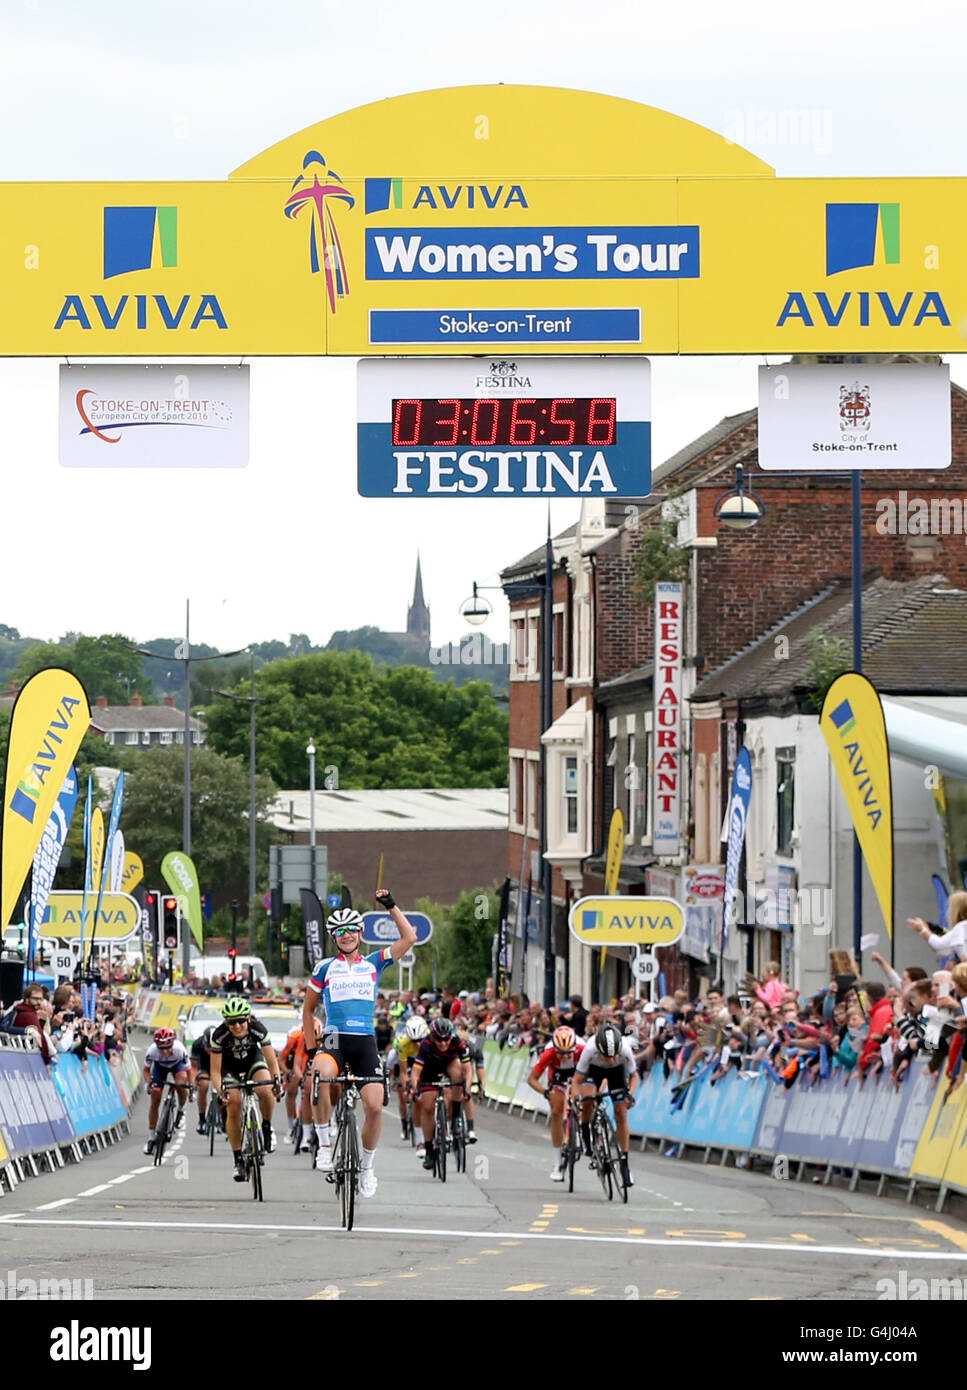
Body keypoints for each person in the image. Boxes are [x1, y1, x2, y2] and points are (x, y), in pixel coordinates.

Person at [303, 888, 417, 1197]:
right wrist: (312, 1048)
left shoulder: (373, 963)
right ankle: (324, 1145)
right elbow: (308, 1009)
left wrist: (390, 905)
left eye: (351, 930)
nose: (346, 935)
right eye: (339, 932)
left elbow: (409, 939)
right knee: (321, 1075)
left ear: (360, 932)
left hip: (365, 1040)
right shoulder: (324, 967)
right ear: (334, 937)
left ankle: (367, 1167)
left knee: (374, 1106)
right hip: (335, 1037)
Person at [209, 997, 282, 1183]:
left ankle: (266, 1126)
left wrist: (277, 1082)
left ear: (248, 1018)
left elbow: (272, 1062)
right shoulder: (219, 1036)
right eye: (232, 1022)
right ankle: (238, 1160)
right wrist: (220, 1091)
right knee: (233, 1104)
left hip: (252, 1061)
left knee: (265, 1089)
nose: (237, 1026)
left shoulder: (259, 1029)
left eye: (241, 1020)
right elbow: (215, 1071)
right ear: (226, 1022)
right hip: (229, 1068)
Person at [571, 1022, 638, 1189]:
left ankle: (624, 1164)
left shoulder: (624, 1050)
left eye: (613, 1055)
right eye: (606, 1056)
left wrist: (630, 1094)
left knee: (621, 1113)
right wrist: (575, 1095)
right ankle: (585, 1131)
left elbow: (634, 1076)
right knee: (587, 1099)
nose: (610, 1059)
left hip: (617, 1073)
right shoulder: (589, 1049)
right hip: (593, 1071)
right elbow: (576, 1080)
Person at [409, 1017, 473, 1171]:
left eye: (446, 1039)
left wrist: (468, 1088)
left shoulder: (458, 1042)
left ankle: (456, 1117)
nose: (443, 1043)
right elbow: (416, 1071)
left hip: (449, 1064)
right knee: (428, 1107)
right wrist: (414, 1088)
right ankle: (430, 1149)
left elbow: (468, 1069)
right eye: (439, 1039)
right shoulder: (426, 1045)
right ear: (432, 1036)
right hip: (429, 1070)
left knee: (457, 1074)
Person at [528, 1024, 584, 1182]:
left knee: (585, 1099)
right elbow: (532, 1079)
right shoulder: (549, 1053)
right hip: (557, 1075)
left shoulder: (582, 1049)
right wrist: (545, 1092)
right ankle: (557, 1163)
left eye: (568, 1053)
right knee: (556, 1111)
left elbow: (593, 1074)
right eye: (561, 1053)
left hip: (578, 1072)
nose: (565, 1057)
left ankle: (582, 1131)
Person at [142, 1027, 191, 1154]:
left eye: (167, 1048)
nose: (164, 1052)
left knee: (181, 1083)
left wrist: (191, 1087)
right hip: (159, 1068)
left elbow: (189, 1071)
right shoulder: (152, 1051)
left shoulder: (180, 1050)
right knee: (155, 1097)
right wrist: (149, 1083)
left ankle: (181, 1109)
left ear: (172, 1044)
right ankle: (151, 1137)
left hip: (177, 1066)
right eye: (161, 1048)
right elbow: (146, 1070)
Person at [389, 1014, 428, 1141]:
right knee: (403, 1095)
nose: (417, 1044)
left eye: (419, 1040)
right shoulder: (403, 1043)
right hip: (404, 1059)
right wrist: (406, 1087)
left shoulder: (430, 1039)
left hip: (421, 1060)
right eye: (414, 1041)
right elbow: (403, 1071)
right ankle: (404, 1125)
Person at [190, 1025, 217, 1135]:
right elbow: (194, 1068)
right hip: (204, 1067)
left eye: (213, 1047)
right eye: (208, 1047)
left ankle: (223, 1116)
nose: (210, 1050)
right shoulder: (197, 1044)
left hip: (220, 1067)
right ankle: (202, 1119)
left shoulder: (224, 1042)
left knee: (224, 1090)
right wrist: (193, 1084)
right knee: (204, 1085)